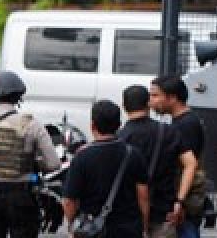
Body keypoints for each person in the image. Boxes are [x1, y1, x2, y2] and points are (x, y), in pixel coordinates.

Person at [0, 70, 61, 238]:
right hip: (21, 195)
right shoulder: (32, 124)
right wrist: (35, 163)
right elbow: (53, 163)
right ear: (18, 97)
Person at [63, 99, 149, 238]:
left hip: (93, 230)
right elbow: (143, 196)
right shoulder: (133, 154)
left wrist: (73, 227)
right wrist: (144, 228)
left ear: (92, 125)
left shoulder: (82, 157)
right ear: (119, 125)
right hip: (128, 229)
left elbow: (69, 201)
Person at [118, 84, 180, 238]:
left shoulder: (119, 139)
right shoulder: (168, 132)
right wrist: (180, 201)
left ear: (124, 106)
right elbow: (188, 164)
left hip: (129, 216)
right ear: (148, 104)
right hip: (164, 211)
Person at [149, 74, 205, 238]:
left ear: (172, 97)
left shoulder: (186, 125)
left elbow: (189, 168)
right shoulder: (182, 121)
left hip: (185, 206)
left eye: (155, 95)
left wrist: (180, 203)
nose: (151, 100)